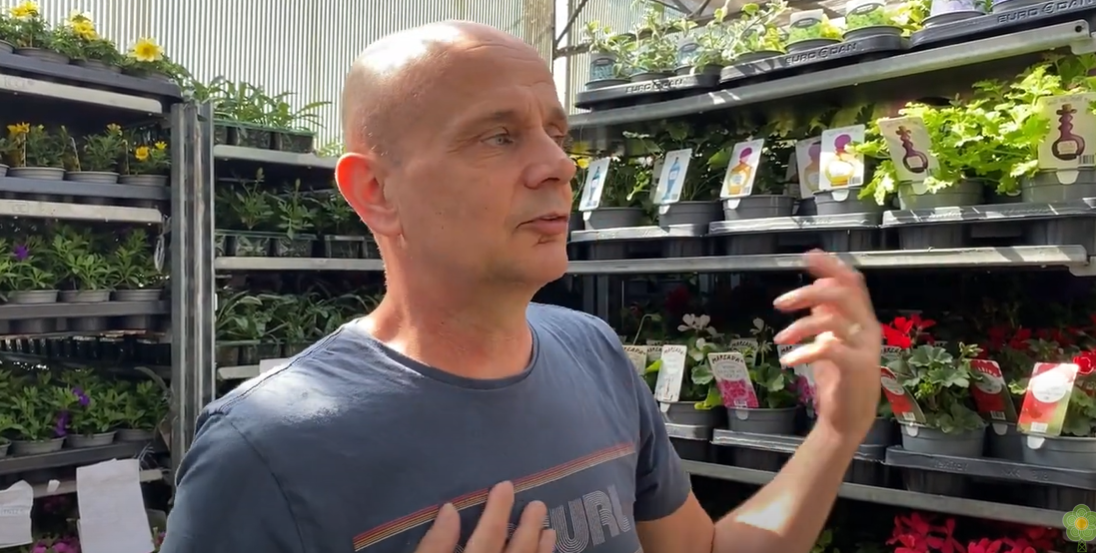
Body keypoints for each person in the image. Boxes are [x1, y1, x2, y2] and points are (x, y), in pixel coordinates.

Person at [159, 20, 882, 553]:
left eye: (554, 133)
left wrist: (837, 429)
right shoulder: (264, 452)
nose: (558, 166)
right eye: (498, 136)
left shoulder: (595, 355)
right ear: (376, 191)